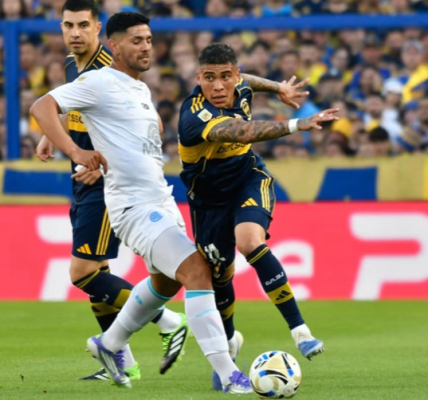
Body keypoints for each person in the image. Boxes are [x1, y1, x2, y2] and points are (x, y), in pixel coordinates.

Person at [30, 12, 252, 394]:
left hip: (160, 199)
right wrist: (75, 152)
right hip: (133, 206)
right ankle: (230, 373)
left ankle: (109, 343)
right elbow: (41, 106)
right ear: (114, 46)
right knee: (197, 272)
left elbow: (136, 134)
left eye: (148, 39)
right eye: (137, 40)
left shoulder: (140, 89)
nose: (146, 46)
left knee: (165, 283)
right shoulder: (99, 81)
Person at [35, 0, 188, 381]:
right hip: (83, 178)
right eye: (68, 26)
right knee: (98, 276)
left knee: (83, 272)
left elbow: (151, 122)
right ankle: (123, 363)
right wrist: (51, 134)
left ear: (98, 28)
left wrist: (99, 160)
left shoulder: (109, 65)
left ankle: (168, 321)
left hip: (107, 184)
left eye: (82, 25)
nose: (75, 33)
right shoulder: (74, 65)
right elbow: (74, 107)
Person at [178, 43, 338, 390]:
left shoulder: (239, 84)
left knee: (249, 241)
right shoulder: (194, 116)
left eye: (226, 77)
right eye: (209, 78)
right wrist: (297, 124)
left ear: (234, 75)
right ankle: (229, 344)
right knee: (219, 276)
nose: (218, 86)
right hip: (208, 201)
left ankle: (300, 331)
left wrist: (278, 87)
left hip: (248, 178)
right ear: (198, 78)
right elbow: (242, 131)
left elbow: (248, 80)